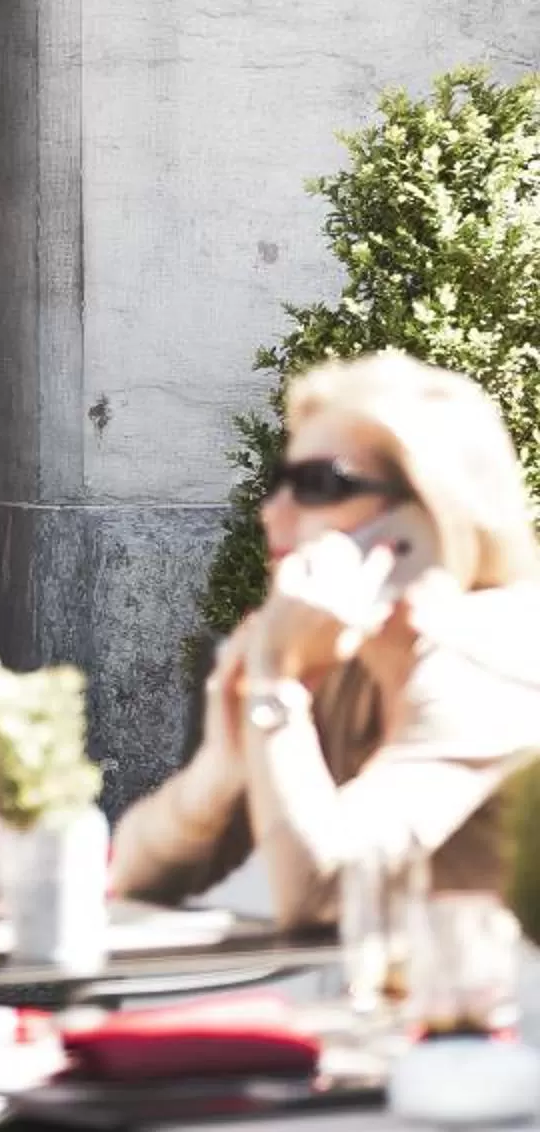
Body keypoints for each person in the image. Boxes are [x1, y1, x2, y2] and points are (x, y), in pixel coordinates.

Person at [111, 352, 540, 925]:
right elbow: (137, 873)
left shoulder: (499, 660)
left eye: (317, 485)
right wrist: (219, 772)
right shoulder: (339, 643)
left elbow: (326, 896)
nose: (272, 514)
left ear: (427, 517)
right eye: (277, 483)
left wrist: (274, 685)